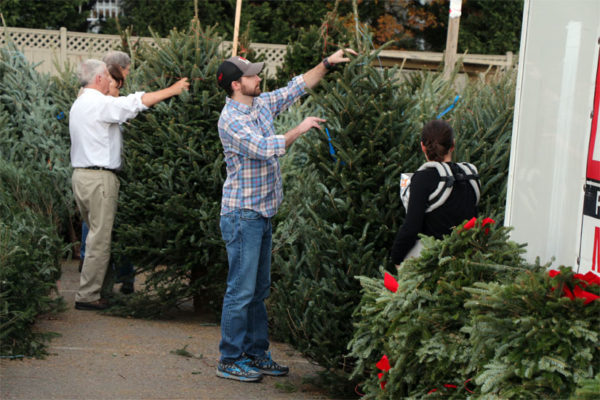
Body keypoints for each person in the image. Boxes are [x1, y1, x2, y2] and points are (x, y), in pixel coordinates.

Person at [215, 49, 357, 382]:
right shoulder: (231, 120)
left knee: (259, 290)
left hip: (262, 213)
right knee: (240, 290)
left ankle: (256, 353)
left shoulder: (260, 103)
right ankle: (229, 358)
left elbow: (295, 87)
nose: (259, 78)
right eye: (252, 75)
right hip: (242, 215)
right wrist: (302, 127)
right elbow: (266, 148)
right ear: (237, 84)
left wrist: (325, 64)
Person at [70, 59, 189, 310]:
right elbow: (134, 103)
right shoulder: (98, 103)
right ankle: (88, 297)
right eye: (106, 77)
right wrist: (173, 90)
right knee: (99, 240)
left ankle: (97, 290)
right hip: (99, 178)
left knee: (95, 236)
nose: (110, 81)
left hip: (81, 176)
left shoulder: (81, 103)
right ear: (99, 78)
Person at [391, 120, 479, 266]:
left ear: (422, 147)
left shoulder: (422, 178)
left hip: (431, 264)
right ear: (453, 145)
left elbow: (412, 227)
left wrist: (396, 258)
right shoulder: (470, 174)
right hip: (465, 262)